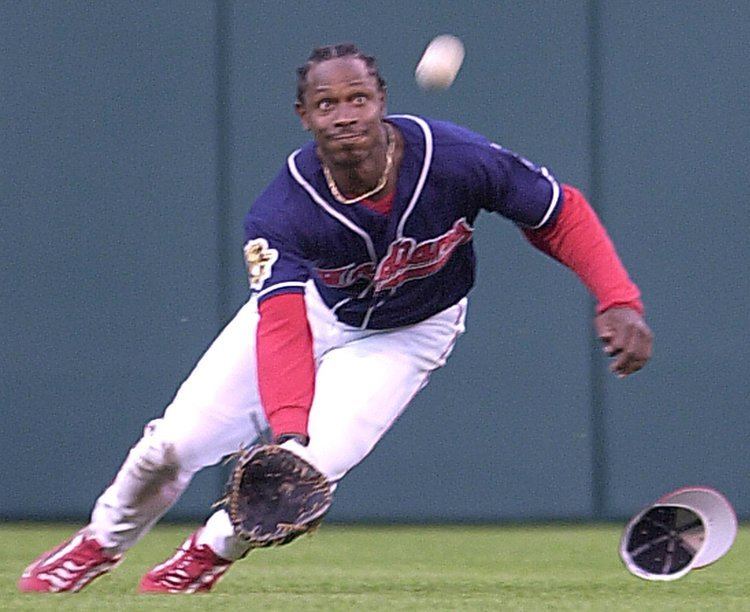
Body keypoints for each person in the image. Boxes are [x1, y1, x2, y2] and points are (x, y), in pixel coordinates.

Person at [19, 43, 653, 594]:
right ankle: (101, 543)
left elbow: (555, 213)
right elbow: (283, 324)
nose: (346, 114)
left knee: (305, 474)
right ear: (305, 117)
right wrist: (288, 427)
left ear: (382, 100)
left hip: (411, 330)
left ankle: (204, 555)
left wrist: (617, 297)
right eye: (328, 104)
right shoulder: (284, 209)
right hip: (314, 313)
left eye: (359, 98)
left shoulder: (454, 157)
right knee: (173, 445)